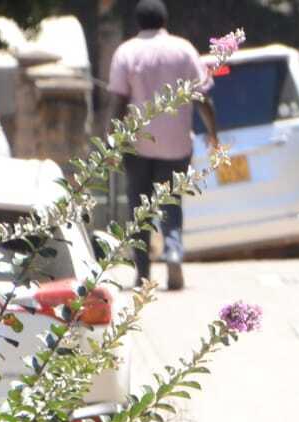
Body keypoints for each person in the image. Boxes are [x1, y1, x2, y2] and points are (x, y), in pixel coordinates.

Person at [107, 0, 218, 291]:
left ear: (137, 22)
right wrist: (213, 134)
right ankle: (173, 250)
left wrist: (112, 141)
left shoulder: (126, 52)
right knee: (171, 203)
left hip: (138, 146)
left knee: (139, 209)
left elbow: (119, 102)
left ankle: (143, 273)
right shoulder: (184, 50)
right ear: (165, 20)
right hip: (176, 144)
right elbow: (203, 98)